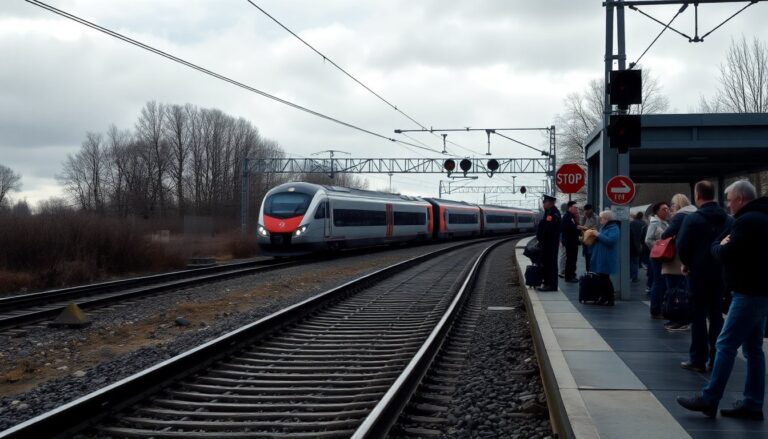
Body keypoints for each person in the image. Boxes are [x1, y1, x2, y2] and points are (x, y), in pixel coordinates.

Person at [678, 180, 768, 420]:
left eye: (729, 200)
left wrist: (718, 244)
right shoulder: (762, 218)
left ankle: (709, 398)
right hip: (761, 291)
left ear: (739, 199)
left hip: (747, 292)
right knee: (753, 350)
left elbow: (725, 252)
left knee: (725, 345)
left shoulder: (746, 221)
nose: (728, 205)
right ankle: (753, 403)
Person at [676, 181, 733, 371]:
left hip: (697, 273)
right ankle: (717, 358)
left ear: (698, 196)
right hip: (720, 274)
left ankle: (698, 359)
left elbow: (682, 245)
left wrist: (686, 263)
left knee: (698, 316)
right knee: (716, 315)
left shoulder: (693, 219)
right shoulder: (728, 220)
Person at [659, 194, 697, 331]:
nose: (671, 208)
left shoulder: (680, 216)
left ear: (677, 205)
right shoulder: (695, 214)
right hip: (692, 257)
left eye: (672, 205)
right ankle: (685, 318)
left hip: (676, 259)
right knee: (685, 291)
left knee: (674, 290)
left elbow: (666, 234)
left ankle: (678, 319)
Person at [645, 202, 670, 319]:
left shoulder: (665, 222)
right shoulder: (655, 223)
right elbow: (648, 239)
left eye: (668, 209)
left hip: (662, 256)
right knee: (658, 282)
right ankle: (655, 309)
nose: (667, 211)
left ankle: (658, 308)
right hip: (658, 256)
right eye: (664, 209)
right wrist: (660, 247)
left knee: (661, 282)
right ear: (657, 211)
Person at [589, 210, 620, 306]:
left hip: (606, 257)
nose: (600, 220)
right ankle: (603, 298)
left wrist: (598, 234)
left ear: (607, 219)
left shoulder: (614, 228)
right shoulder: (604, 227)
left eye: (601, 218)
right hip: (601, 256)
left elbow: (610, 241)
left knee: (605, 278)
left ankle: (610, 299)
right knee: (601, 278)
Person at [536, 195, 561, 292]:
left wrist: (542, 238)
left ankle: (550, 285)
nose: (543, 204)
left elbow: (548, 229)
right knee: (547, 263)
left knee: (550, 264)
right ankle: (547, 283)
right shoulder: (549, 212)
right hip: (548, 243)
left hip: (550, 244)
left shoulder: (553, 213)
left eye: (544, 202)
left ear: (550, 203)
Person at [561, 201, 580, 283]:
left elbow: (574, 227)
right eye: (575, 207)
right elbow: (571, 229)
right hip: (570, 242)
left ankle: (572, 275)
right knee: (570, 259)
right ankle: (569, 277)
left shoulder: (571, 217)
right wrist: (578, 229)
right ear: (570, 208)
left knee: (573, 259)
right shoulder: (566, 217)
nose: (576, 209)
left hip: (572, 242)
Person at [580, 204, 598, 273]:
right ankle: (588, 271)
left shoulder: (596, 218)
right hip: (585, 241)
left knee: (591, 257)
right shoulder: (585, 217)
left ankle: (592, 271)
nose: (586, 213)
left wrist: (585, 228)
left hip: (592, 241)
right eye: (585, 211)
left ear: (591, 210)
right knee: (587, 257)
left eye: (587, 211)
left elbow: (596, 229)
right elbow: (582, 226)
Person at [629, 212, 645, 282]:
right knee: (636, 262)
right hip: (639, 245)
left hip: (631, 245)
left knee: (631, 262)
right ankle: (634, 277)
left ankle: (631, 275)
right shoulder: (643, 224)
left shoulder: (631, 223)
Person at [558, 202, 568, 278]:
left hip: (561, 238)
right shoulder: (564, 217)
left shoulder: (561, 216)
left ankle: (562, 270)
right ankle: (561, 271)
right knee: (563, 255)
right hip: (563, 239)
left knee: (563, 254)